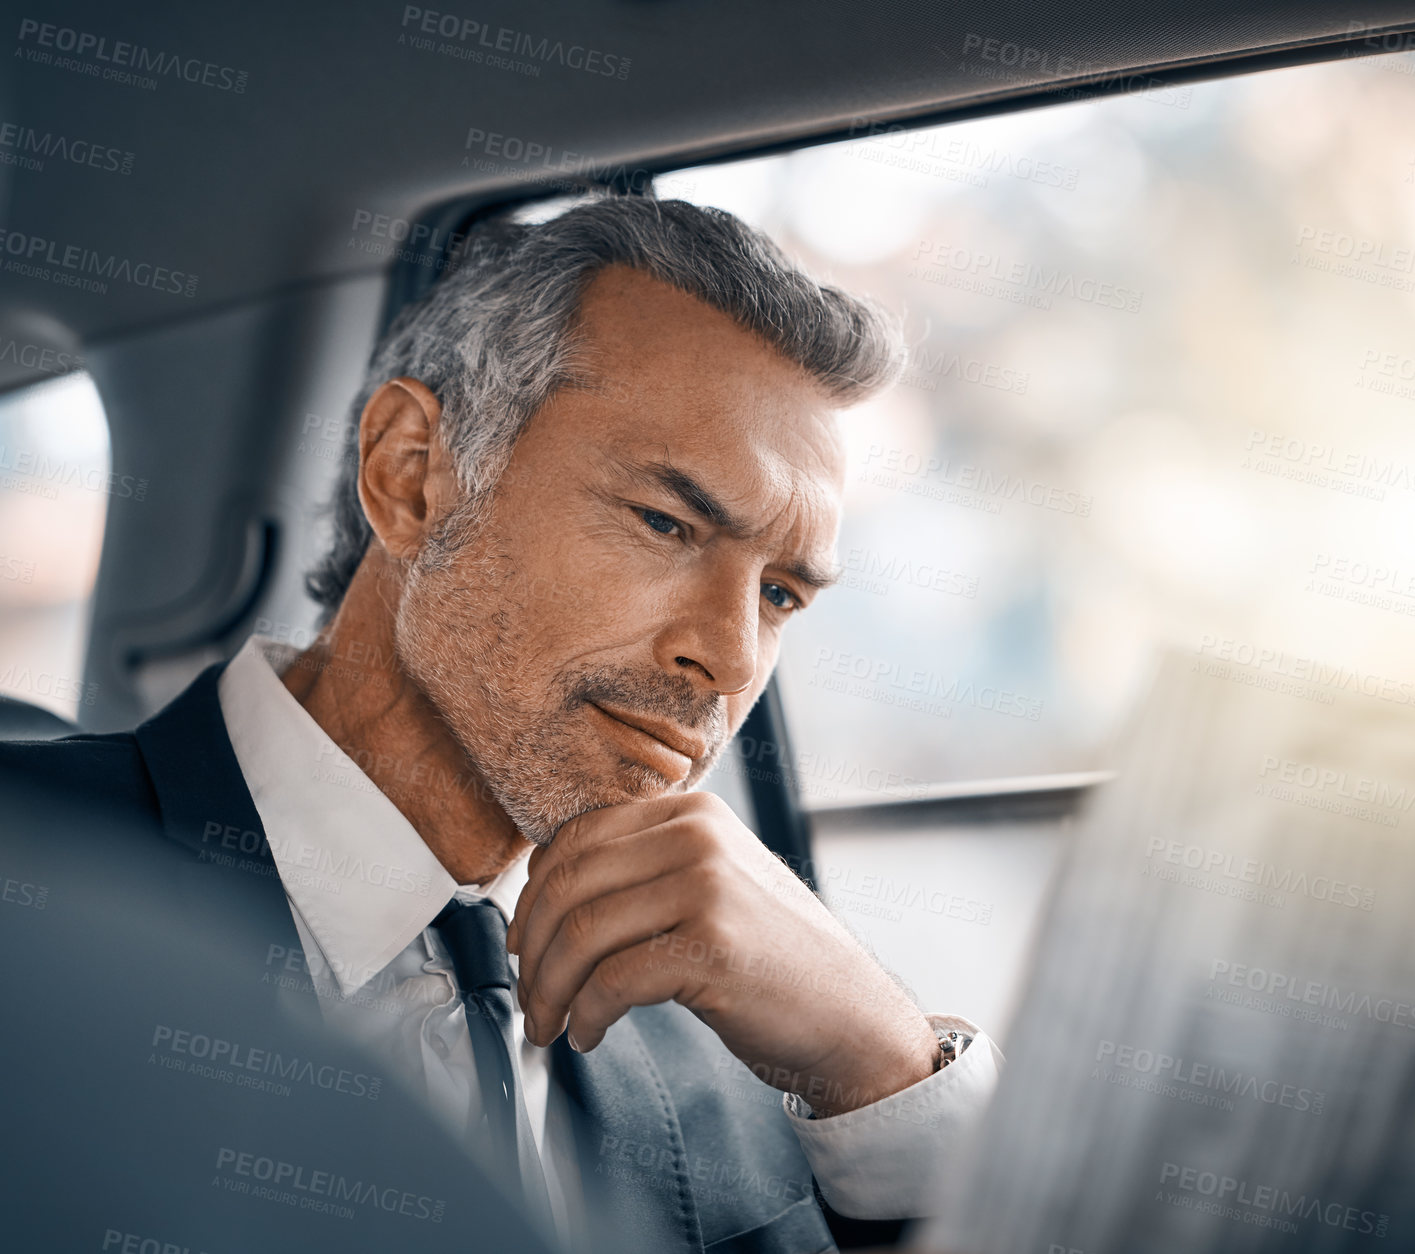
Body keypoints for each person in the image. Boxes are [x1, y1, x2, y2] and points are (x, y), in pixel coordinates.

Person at [0, 195, 1000, 1253]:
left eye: (781, 596)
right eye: (666, 523)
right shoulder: (35, 887)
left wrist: (884, 1072)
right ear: (411, 475)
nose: (731, 657)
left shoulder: (752, 1045)